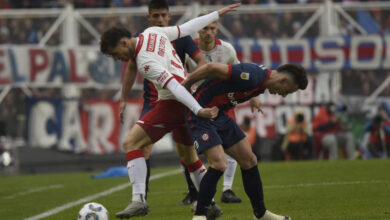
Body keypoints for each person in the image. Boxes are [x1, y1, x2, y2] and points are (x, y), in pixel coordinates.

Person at [100, 3, 240, 219]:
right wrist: (216, 14)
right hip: (184, 99)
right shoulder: (152, 32)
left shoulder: (145, 61)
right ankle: (209, 203)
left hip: (174, 103)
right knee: (189, 157)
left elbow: (174, 86)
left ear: (124, 42)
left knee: (131, 143)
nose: (116, 58)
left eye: (114, 53)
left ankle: (138, 200)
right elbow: (187, 28)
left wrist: (198, 109)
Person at [181, 62, 308, 220]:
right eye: (287, 91)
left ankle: (261, 214)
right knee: (219, 164)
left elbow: (240, 80)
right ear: (283, 80)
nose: (283, 95)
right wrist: (186, 83)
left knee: (249, 160)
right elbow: (210, 68)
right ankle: (200, 215)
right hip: (201, 113)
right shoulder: (253, 77)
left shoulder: (261, 82)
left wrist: (253, 97)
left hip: (218, 114)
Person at [122, 0, 208, 207]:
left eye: (163, 16)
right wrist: (122, 98)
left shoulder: (182, 38)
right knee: (142, 147)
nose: (160, 20)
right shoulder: (142, 39)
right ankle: (142, 197)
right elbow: (131, 69)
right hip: (153, 101)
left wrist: (192, 84)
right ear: (149, 18)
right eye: (156, 16)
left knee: (187, 153)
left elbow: (202, 63)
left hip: (179, 98)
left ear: (169, 17)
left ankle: (197, 195)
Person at [186, 14, 263, 204]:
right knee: (189, 150)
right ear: (198, 29)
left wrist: (253, 97)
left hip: (222, 102)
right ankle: (195, 191)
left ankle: (227, 189)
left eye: (212, 28)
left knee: (234, 142)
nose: (208, 32)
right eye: (205, 28)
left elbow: (240, 73)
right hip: (196, 104)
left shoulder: (226, 49)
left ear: (217, 30)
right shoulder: (189, 50)